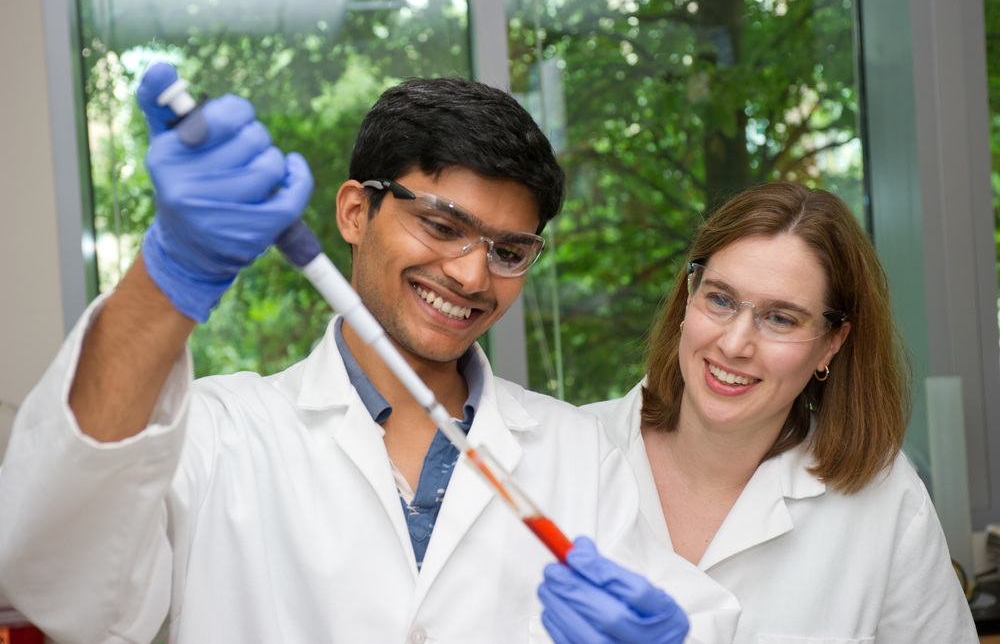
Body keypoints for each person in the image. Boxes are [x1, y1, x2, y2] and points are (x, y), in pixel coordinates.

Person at [0, 62, 739, 644]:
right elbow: (62, 587)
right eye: (442, 226)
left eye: (509, 250)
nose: (473, 275)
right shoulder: (222, 433)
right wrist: (170, 276)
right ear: (355, 212)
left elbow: (692, 618)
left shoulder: (576, 453)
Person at [586, 181, 979, 643]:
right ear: (688, 298)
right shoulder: (574, 451)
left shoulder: (887, 501)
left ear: (831, 344)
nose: (734, 344)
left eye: (781, 318)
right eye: (720, 299)